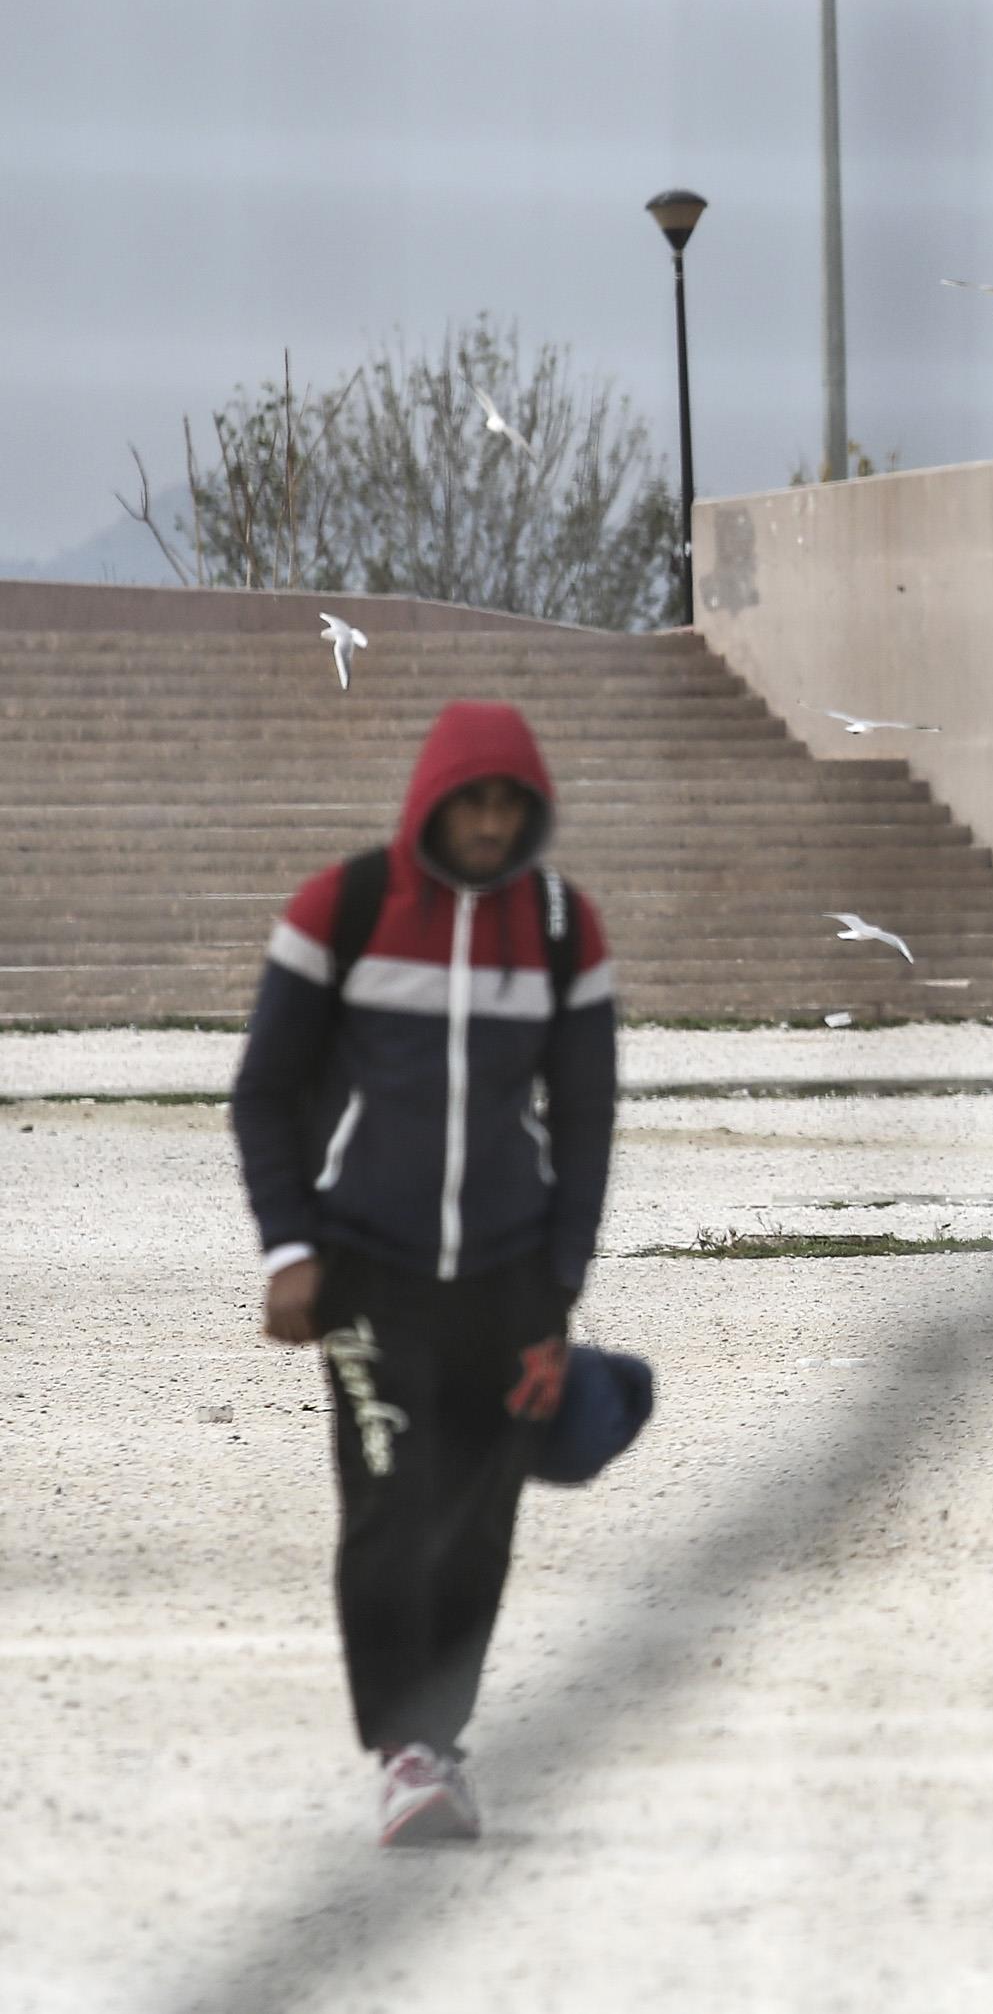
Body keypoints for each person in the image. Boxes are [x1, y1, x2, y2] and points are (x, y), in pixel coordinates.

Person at [228, 701, 619, 1847]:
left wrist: (561, 1283)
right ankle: (403, 1754)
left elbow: (586, 1116)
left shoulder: (561, 929)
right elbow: (264, 1089)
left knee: (481, 1513)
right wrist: (290, 1248)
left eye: (512, 804)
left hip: (509, 1275)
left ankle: (439, 1743)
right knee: (393, 1499)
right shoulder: (341, 909)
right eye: (474, 800)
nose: (492, 823)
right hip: (367, 1271)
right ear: (433, 800)